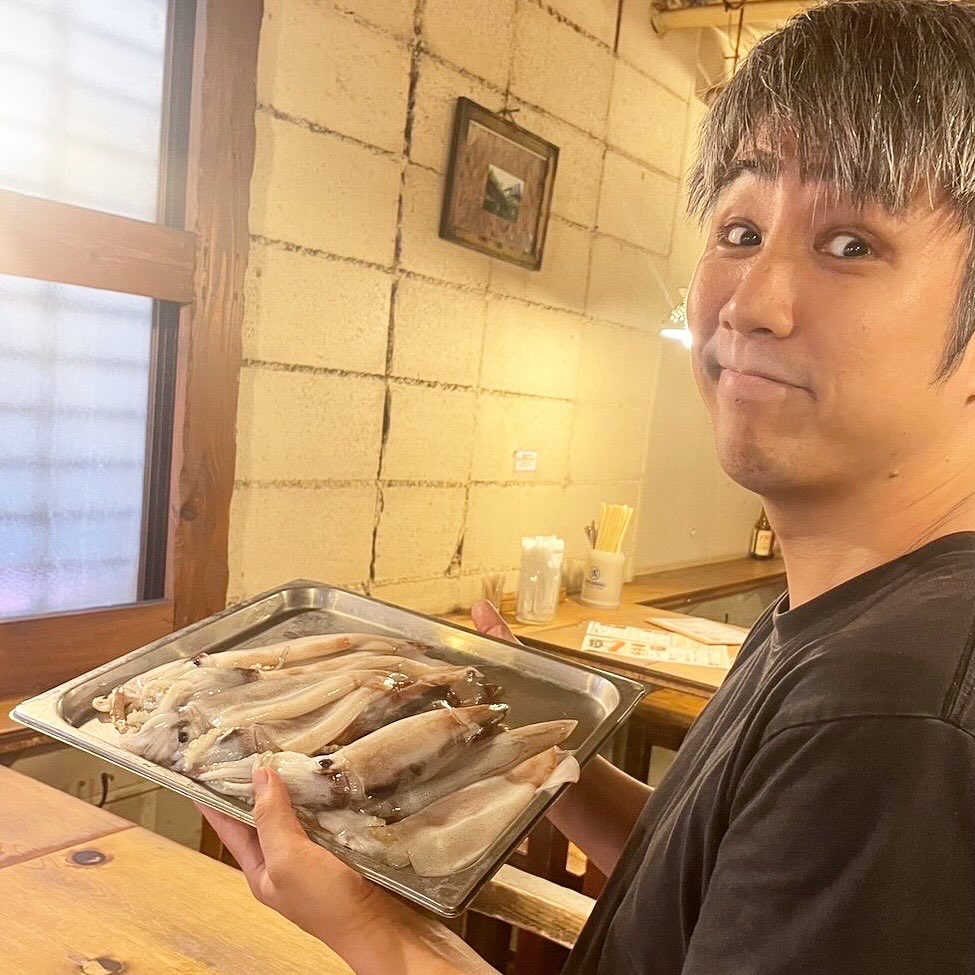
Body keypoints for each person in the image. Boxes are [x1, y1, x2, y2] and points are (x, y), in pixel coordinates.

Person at [200, 0, 975, 971]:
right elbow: (710, 873)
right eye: (739, 230)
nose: (751, 303)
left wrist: (377, 931)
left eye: (850, 244)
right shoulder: (839, 622)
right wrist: (542, 756)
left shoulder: (893, 717)